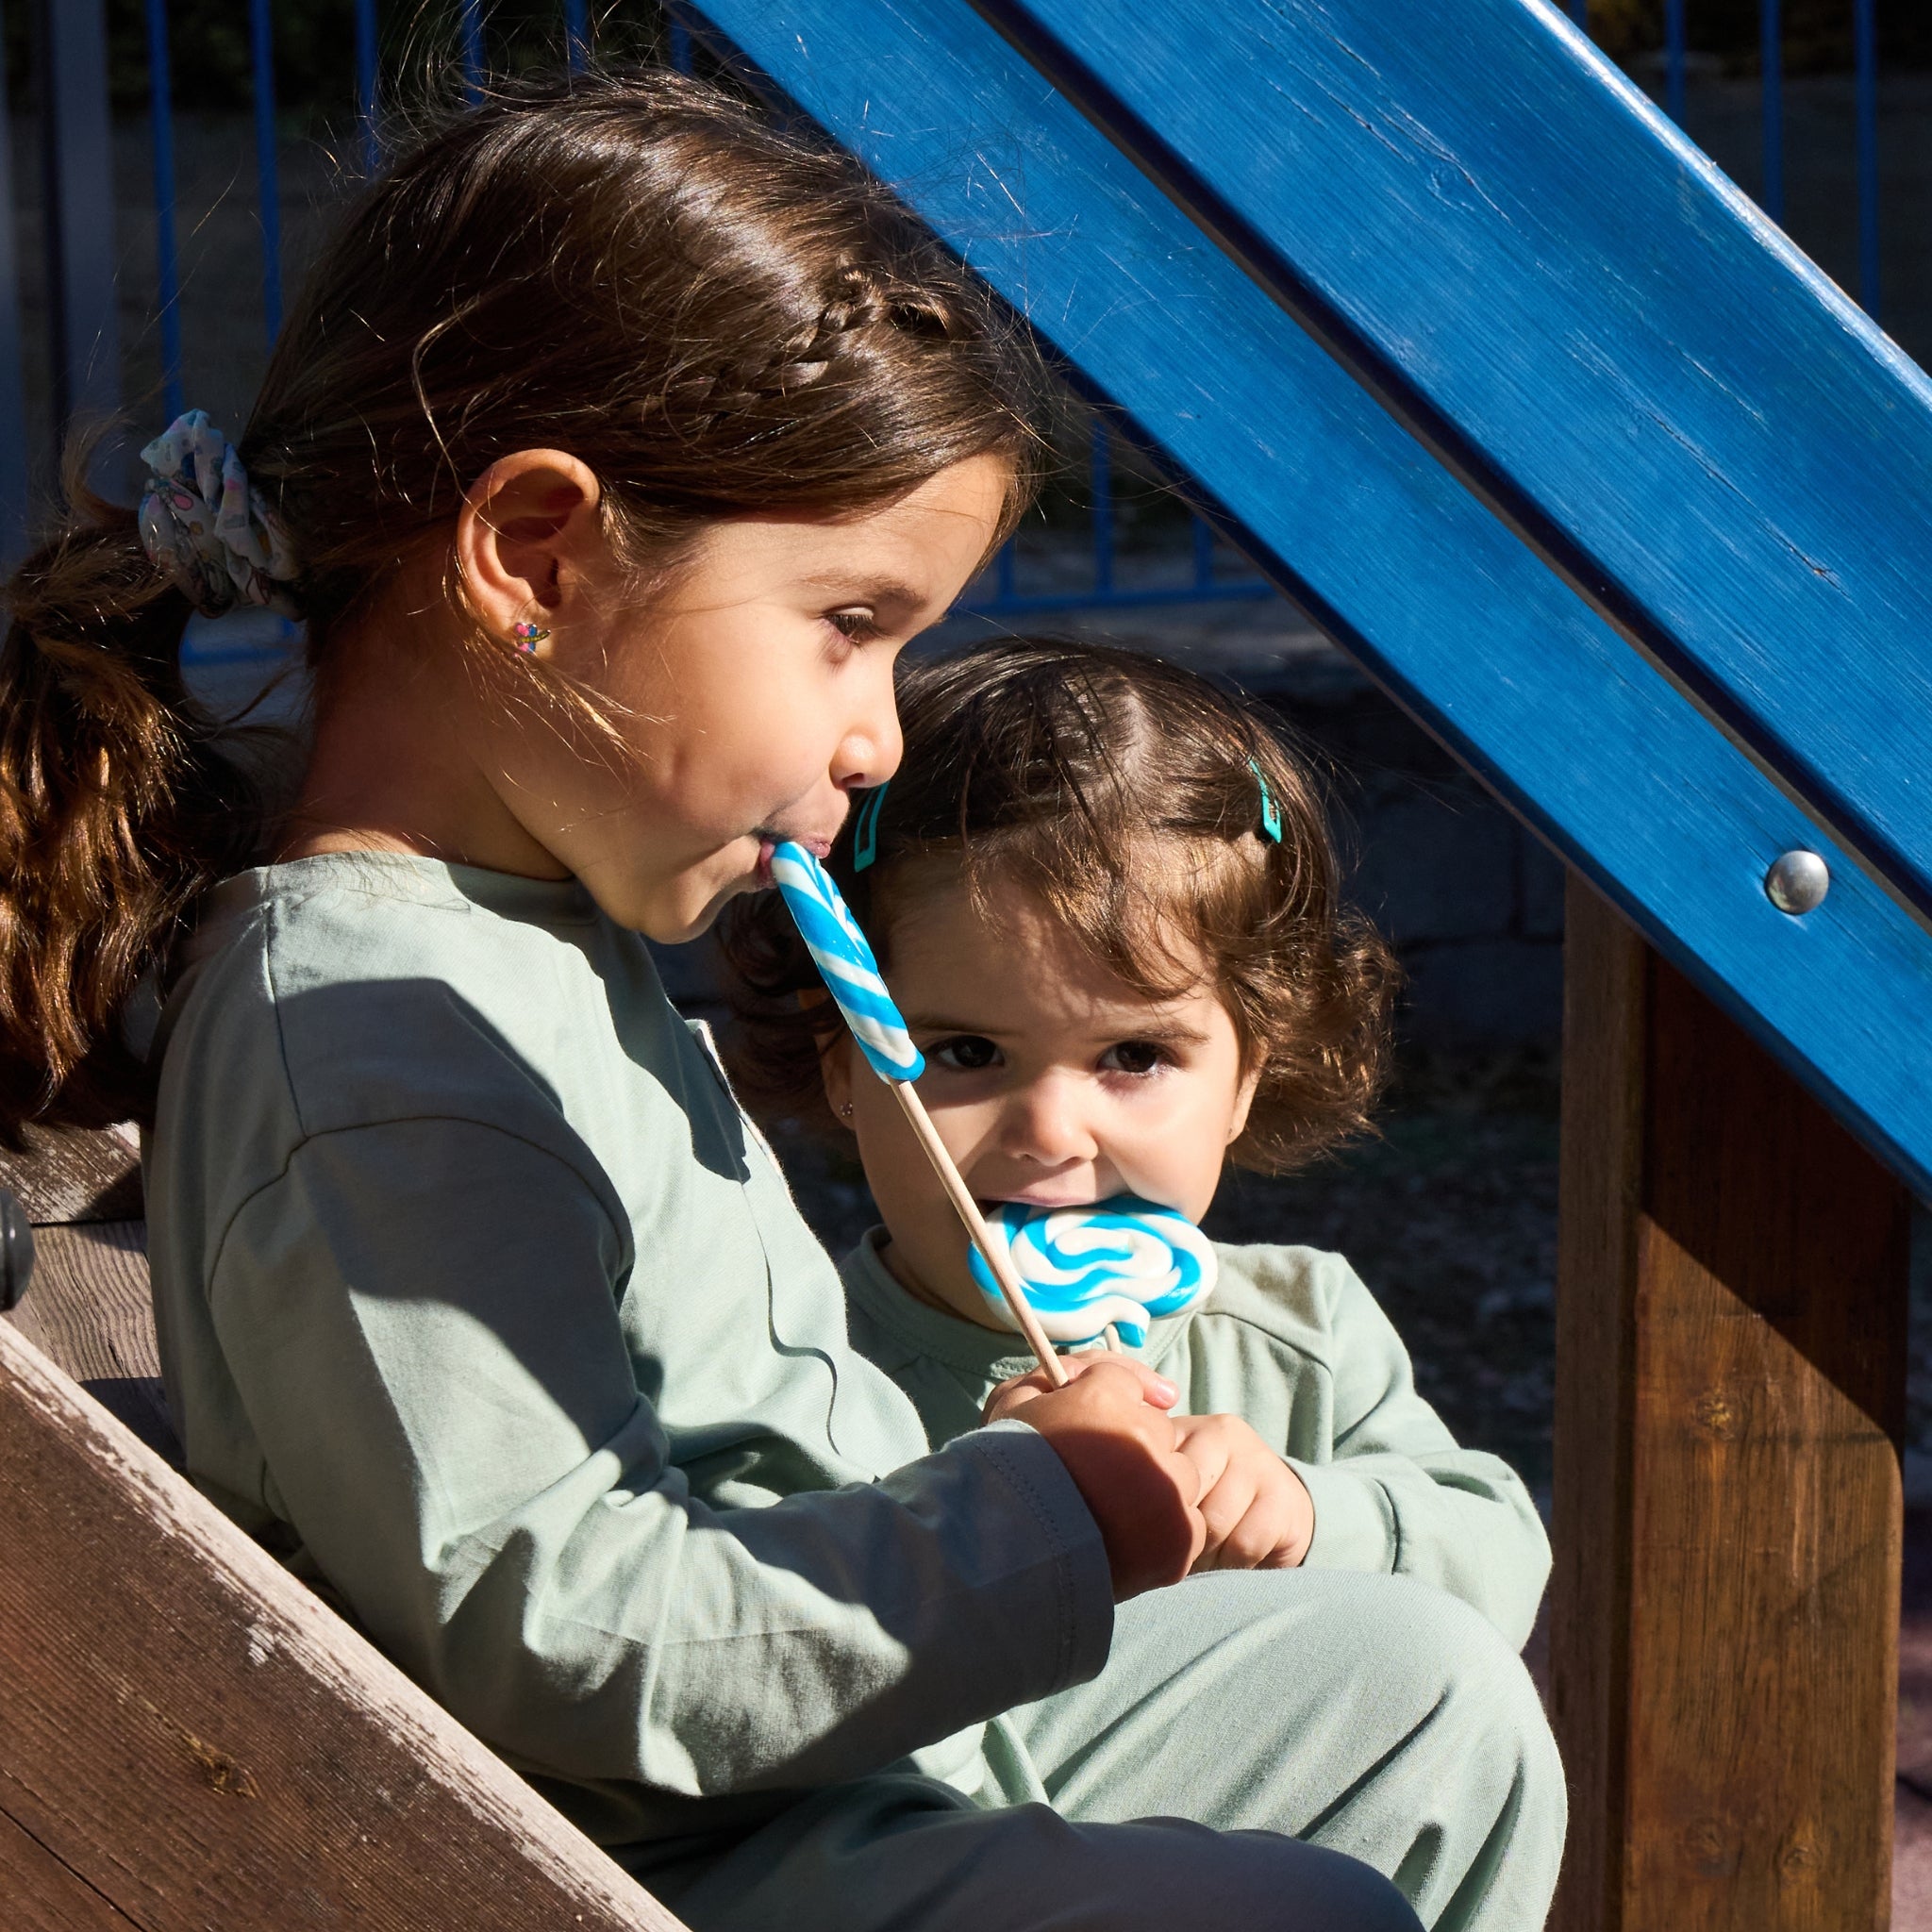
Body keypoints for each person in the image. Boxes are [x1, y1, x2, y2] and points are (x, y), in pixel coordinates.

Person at [0, 69, 1550, 1932]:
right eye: (849, 624)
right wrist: (1044, 1512)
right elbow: (561, 1635)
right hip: (648, 1860)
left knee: (1424, 1695)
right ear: (539, 556)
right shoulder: (377, 1040)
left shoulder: (510, 946)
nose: (877, 734)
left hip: (799, 1771)